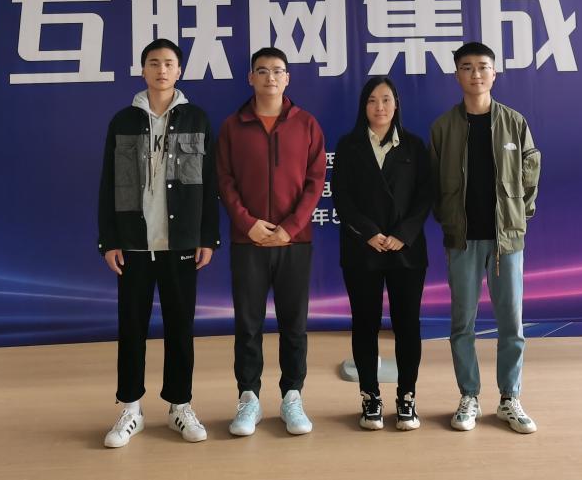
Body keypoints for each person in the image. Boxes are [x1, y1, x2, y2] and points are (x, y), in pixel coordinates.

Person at [97, 39, 219, 448]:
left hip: (180, 243)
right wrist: (109, 240)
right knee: (131, 328)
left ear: (179, 71)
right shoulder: (123, 121)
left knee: (180, 328)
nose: (161, 70)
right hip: (134, 242)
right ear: (143, 70)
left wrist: (207, 237)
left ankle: (180, 406)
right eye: (154, 63)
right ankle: (130, 407)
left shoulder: (197, 118)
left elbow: (210, 184)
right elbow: (107, 184)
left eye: (168, 63)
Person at [430, 42, 541, 434]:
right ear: (457, 74)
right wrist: (448, 220)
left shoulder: (514, 122)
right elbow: (433, 184)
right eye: (467, 67)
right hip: (462, 240)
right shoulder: (443, 127)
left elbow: (530, 174)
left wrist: (518, 218)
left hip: (505, 242)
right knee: (463, 323)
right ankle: (469, 396)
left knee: (512, 324)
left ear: (494, 73)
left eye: (482, 67)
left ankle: (510, 398)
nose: (475, 74)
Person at [217, 47, 327, 436]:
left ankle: (292, 397)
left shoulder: (306, 124)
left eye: (277, 71)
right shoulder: (233, 126)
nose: (270, 78)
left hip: (294, 243)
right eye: (262, 71)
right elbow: (224, 180)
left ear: (287, 78)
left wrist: (289, 228)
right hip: (247, 242)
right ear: (250, 78)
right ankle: (248, 398)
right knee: (248, 325)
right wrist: (248, 225)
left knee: (294, 324)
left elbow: (316, 181)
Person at [332, 75, 434, 431]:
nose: (380, 107)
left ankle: (407, 397)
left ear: (396, 104)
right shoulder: (349, 146)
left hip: (406, 251)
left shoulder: (414, 146)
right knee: (365, 324)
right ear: (364, 106)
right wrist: (370, 233)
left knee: (407, 325)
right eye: (373, 100)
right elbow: (342, 197)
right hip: (364, 250)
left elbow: (425, 196)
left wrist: (402, 235)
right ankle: (370, 397)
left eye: (386, 99)